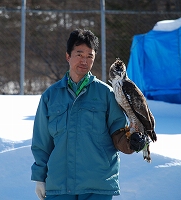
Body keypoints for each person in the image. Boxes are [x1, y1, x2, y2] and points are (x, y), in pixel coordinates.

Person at [31, 29, 127, 200]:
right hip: (59, 186)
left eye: (90, 56)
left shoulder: (106, 94)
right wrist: (40, 177)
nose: (84, 61)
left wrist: (134, 140)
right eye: (79, 54)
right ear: (68, 56)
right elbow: (41, 142)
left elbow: (120, 133)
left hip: (97, 185)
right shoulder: (50, 96)